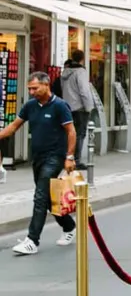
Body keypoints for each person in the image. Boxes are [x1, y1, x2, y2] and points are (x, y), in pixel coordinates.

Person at [0, 72, 78, 255]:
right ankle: (69, 226)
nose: (32, 92)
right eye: (29, 89)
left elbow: (71, 132)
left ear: (46, 85)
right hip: (38, 157)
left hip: (55, 157)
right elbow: (13, 127)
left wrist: (70, 157)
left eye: (35, 88)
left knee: (40, 196)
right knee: (49, 199)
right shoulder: (30, 106)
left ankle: (32, 240)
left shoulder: (60, 106)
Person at [58, 49, 95, 166]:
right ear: (82, 58)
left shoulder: (65, 72)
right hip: (79, 107)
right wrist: (89, 107)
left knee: (68, 133)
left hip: (67, 106)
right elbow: (84, 91)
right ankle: (76, 160)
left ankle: (66, 157)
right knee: (79, 134)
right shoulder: (81, 72)